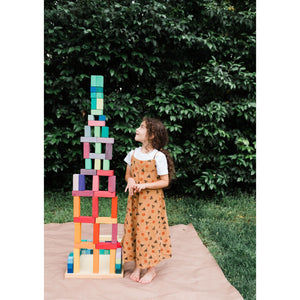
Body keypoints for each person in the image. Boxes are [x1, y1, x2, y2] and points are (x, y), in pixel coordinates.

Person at [122, 116, 175, 284]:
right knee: (135, 230)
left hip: (151, 202)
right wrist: (130, 181)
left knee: (149, 233)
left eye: (142, 127)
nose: (137, 129)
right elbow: (128, 175)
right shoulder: (132, 154)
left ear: (151, 135)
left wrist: (145, 186)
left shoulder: (158, 156)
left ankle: (151, 270)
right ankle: (139, 266)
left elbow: (165, 181)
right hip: (135, 201)